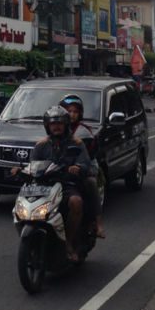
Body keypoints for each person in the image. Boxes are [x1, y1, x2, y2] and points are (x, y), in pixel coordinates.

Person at [31, 106, 93, 262]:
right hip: (45, 187)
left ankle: (69, 242)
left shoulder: (76, 143)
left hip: (66, 185)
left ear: (66, 125)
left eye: (60, 123)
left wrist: (77, 167)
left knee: (76, 202)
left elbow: (85, 164)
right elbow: (32, 166)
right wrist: (18, 170)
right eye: (53, 124)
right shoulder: (41, 145)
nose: (56, 126)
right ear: (48, 126)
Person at [59, 94, 105, 238]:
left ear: (79, 114)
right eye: (68, 111)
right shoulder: (56, 129)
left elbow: (88, 156)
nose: (71, 115)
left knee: (90, 183)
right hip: (61, 168)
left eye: (74, 112)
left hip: (86, 166)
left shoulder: (84, 132)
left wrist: (79, 166)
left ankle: (98, 224)